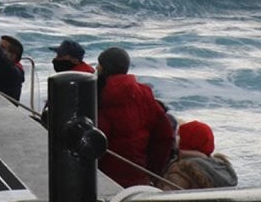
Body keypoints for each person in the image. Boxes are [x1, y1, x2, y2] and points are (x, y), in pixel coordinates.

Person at [95, 46, 175, 187]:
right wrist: (151, 170)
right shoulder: (144, 94)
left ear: (104, 69)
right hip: (139, 176)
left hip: (104, 178)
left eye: (99, 65)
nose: (96, 68)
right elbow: (166, 135)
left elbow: (97, 141)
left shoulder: (99, 96)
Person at [160, 120, 239, 190]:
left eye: (179, 135)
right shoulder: (221, 168)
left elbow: (168, 195)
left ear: (188, 141)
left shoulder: (182, 169)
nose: (176, 138)